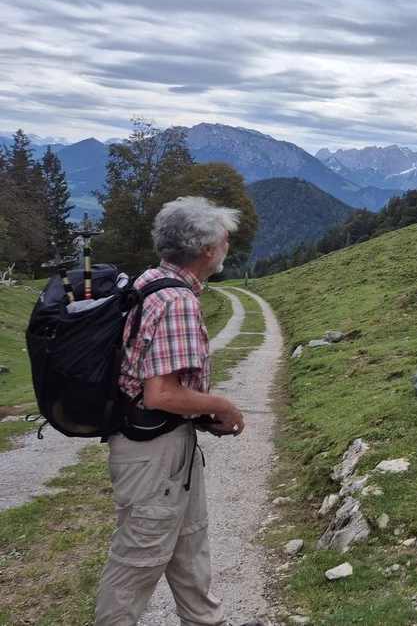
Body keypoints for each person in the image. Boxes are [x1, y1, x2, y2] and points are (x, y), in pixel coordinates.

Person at [96, 196, 260, 626]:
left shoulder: (150, 281)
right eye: (225, 239)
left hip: (164, 444)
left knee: (188, 542)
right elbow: (162, 394)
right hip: (154, 450)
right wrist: (221, 405)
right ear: (207, 248)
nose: (228, 246)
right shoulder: (178, 301)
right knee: (139, 557)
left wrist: (199, 411)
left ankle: (206, 621)